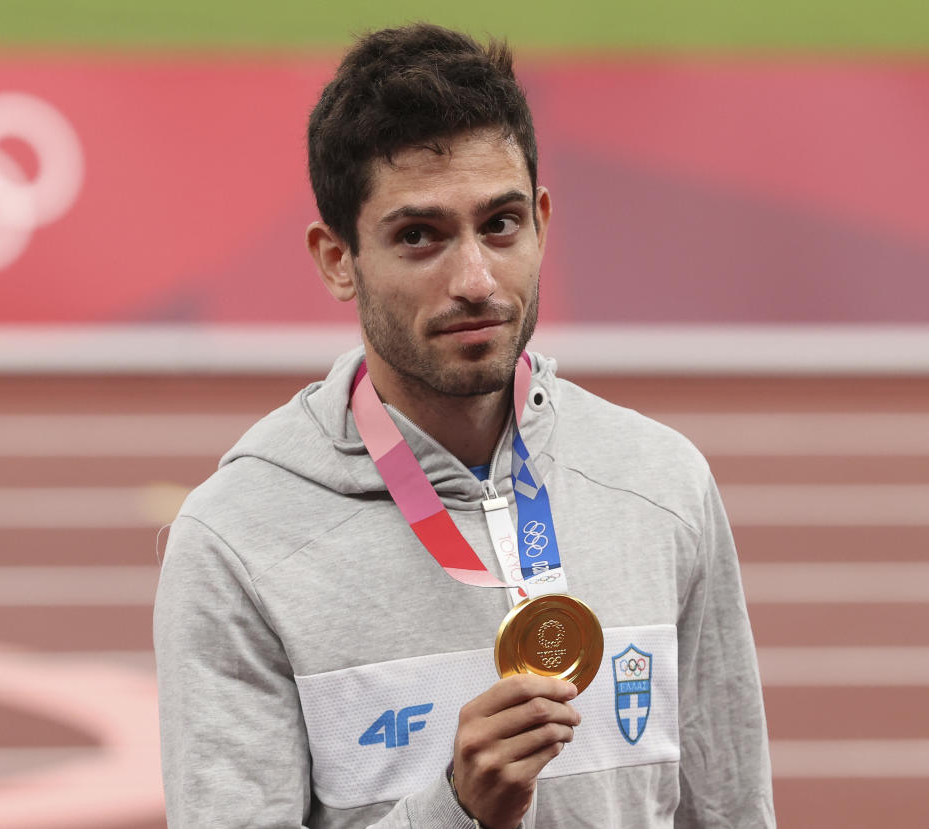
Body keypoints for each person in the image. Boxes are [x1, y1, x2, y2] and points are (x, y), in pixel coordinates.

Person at [154, 23, 773, 828]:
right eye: (421, 236)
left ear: (543, 221)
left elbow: (731, 812)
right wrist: (452, 810)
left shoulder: (662, 483)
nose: (476, 279)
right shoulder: (237, 541)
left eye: (501, 225)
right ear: (337, 258)